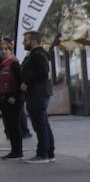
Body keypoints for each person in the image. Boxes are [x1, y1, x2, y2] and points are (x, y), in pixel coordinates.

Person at [19, 31, 55, 164]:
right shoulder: (37, 54)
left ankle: (42, 154)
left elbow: (43, 72)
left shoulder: (37, 55)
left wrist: (27, 83)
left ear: (33, 41)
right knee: (43, 123)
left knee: (40, 125)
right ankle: (49, 152)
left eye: (26, 40)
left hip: (37, 94)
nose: (23, 43)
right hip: (38, 93)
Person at [0, 40, 24, 159]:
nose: (3, 51)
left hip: (13, 99)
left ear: (10, 50)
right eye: (1, 49)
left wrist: (15, 96)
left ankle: (18, 152)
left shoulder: (14, 63)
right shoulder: (2, 64)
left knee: (14, 125)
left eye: (6, 49)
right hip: (3, 98)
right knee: (9, 126)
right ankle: (14, 151)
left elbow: (21, 82)